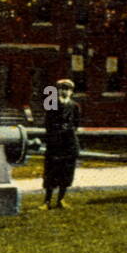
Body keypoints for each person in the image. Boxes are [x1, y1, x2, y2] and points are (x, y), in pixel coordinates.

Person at [41, 78, 80, 209]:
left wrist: (69, 135)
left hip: (69, 143)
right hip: (55, 143)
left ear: (71, 91)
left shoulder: (75, 106)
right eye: (62, 88)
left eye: (68, 89)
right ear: (57, 90)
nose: (65, 91)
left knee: (66, 172)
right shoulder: (51, 103)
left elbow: (76, 124)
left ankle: (61, 200)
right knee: (51, 172)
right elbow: (47, 124)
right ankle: (46, 201)